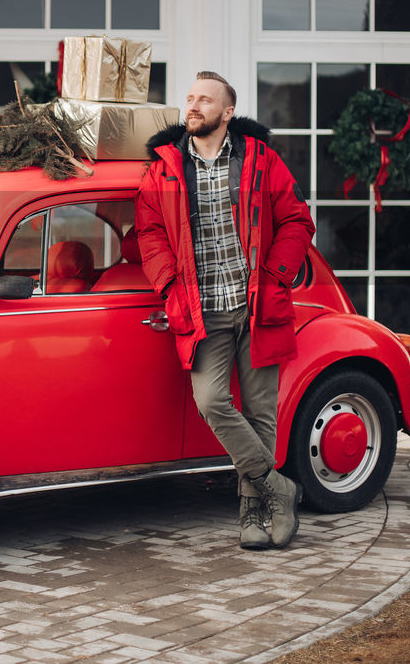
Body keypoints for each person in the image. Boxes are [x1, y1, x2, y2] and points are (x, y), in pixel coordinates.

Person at [134, 71, 315, 550]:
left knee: (260, 413)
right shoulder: (166, 167)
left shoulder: (261, 161)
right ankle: (280, 488)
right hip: (202, 310)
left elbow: (298, 219)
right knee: (212, 401)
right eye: (190, 98)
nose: (192, 106)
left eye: (204, 100)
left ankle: (252, 513)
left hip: (257, 306)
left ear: (227, 112)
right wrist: (170, 283)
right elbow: (149, 230)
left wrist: (276, 274)